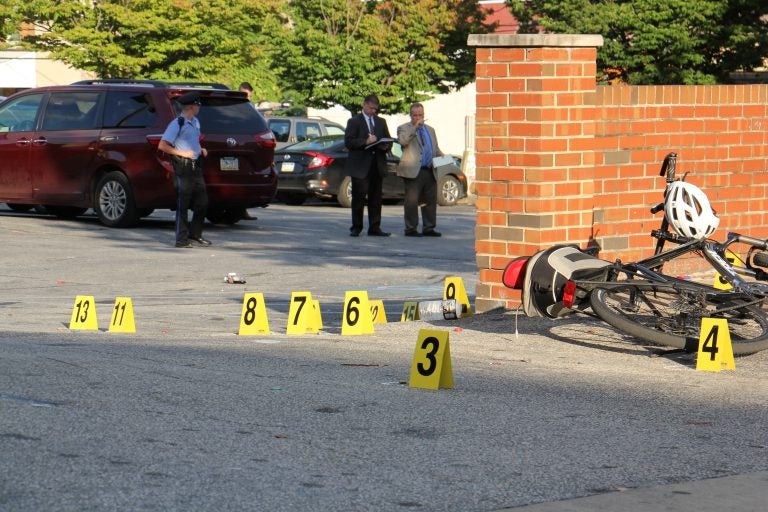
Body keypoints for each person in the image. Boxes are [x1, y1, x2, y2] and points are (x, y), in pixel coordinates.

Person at [158, 92, 211, 248]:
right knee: (184, 203)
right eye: (198, 105)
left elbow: (193, 140)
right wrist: (182, 153)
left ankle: (195, 234)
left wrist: (200, 149)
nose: (199, 107)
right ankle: (181, 239)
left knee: (203, 201)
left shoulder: (195, 122)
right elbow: (163, 145)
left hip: (196, 165)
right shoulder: (177, 123)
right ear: (191, 106)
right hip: (183, 166)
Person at [344, 94, 392, 237]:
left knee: (376, 199)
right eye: (371, 108)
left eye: (375, 109)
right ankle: (356, 227)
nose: (373, 111)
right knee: (358, 198)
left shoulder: (381, 122)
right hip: (360, 166)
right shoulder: (354, 121)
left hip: (377, 164)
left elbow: (387, 139)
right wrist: (366, 141)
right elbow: (349, 142)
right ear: (364, 105)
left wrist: (385, 146)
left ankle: (375, 227)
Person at [396, 102, 443, 237]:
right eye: (415, 115)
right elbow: (403, 141)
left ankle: (429, 227)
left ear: (424, 115)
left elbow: (435, 148)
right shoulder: (404, 128)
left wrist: (444, 158)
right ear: (411, 116)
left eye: (420, 115)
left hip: (429, 169)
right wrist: (415, 128)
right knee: (411, 201)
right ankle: (411, 228)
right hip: (413, 170)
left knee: (430, 200)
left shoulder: (430, 130)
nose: (418, 118)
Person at [236, 82, 258, 220]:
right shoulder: (233, 107)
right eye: (245, 95)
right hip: (236, 146)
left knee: (242, 180)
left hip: (245, 147)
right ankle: (240, 210)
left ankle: (242, 210)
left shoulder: (250, 108)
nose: (248, 98)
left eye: (249, 96)